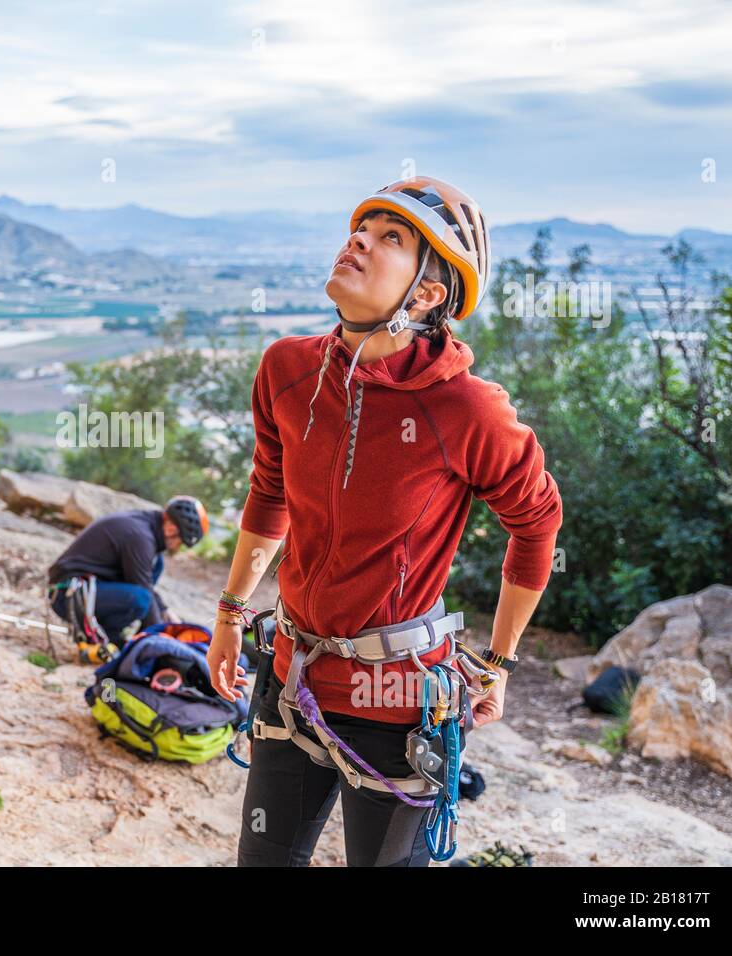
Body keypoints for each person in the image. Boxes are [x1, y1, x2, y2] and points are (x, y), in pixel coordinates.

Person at [207, 176, 563, 867]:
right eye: (360, 228)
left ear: (427, 296)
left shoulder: (467, 409)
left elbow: (537, 522)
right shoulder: (287, 368)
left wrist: (500, 660)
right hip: (289, 675)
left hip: (397, 696)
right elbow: (270, 492)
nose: (359, 240)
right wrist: (229, 612)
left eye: (390, 238)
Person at [48, 496, 208, 643]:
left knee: (156, 566)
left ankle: (124, 639)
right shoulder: (140, 537)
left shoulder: (145, 528)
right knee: (140, 599)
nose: (177, 547)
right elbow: (144, 592)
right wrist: (161, 638)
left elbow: (145, 581)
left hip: (88, 589)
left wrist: (166, 613)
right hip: (67, 596)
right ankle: (106, 638)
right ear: (171, 530)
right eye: (180, 542)